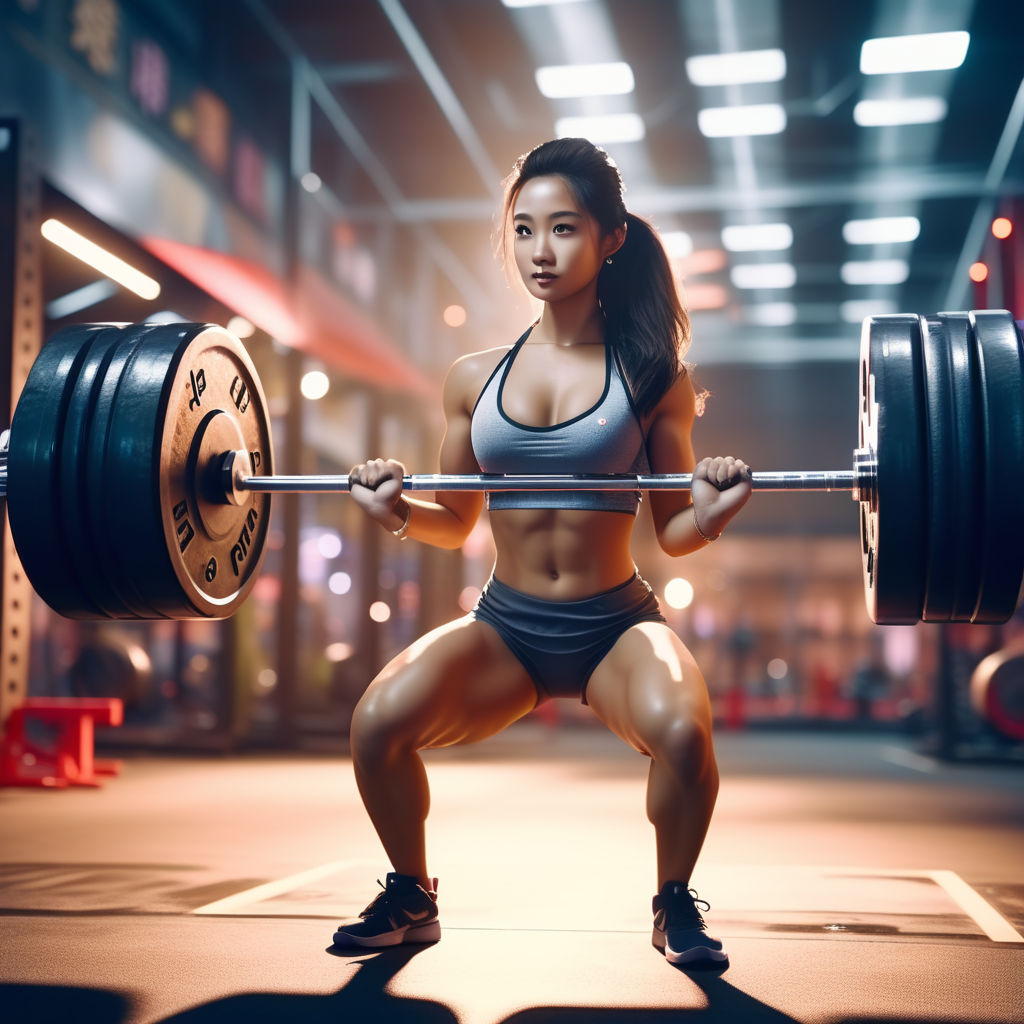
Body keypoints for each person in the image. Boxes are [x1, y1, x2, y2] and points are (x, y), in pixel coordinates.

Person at [335, 138, 751, 968]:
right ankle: (411, 895)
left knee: (682, 733)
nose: (541, 251)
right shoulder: (473, 377)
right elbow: (453, 521)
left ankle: (675, 903)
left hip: (613, 626)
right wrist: (391, 511)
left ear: (611, 239)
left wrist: (711, 513)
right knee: (377, 722)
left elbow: (670, 529)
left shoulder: (650, 373)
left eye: (562, 229)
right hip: (508, 629)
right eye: (524, 231)